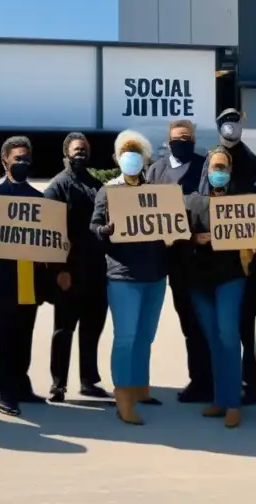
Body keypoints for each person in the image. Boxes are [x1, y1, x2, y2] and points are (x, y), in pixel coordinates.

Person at [91, 130, 167, 425]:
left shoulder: (156, 191)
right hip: (123, 276)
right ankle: (123, 396)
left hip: (155, 275)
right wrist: (103, 232)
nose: (132, 158)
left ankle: (140, 388)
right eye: (126, 153)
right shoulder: (108, 191)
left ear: (145, 159)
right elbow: (93, 227)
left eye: (137, 153)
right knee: (126, 337)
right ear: (117, 158)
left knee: (145, 336)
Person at [0, 136, 61, 417]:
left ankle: (20, 383)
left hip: (30, 276)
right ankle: (2, 388)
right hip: (4, 278)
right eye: (17, 158)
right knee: (2, 334)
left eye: (26, 159)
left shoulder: (38, 198)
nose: (22, 163)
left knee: (23, 333)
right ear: (5, 160)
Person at [198, 109, 256, 405]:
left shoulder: (251, 161)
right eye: (226, 122)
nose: (230, 126)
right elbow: (202, 198)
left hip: (244, 261)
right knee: (219, 332)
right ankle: (221, 386)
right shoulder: (212, 158)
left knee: (245, 330)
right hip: (212, 263)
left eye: (235, 121)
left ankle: (251, 385)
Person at [145, 120, 213, 403]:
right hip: (169, 260)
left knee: (204, 323)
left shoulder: (204, 165)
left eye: (187, 138)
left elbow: (208, 202)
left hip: (198, 258)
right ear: (168, 140)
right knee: (188, 322)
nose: (182, 142)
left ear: (194, 140)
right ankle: (198, 380)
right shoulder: (156, 168)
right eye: (177, 138)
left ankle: (208, 381)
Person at [183, 148, 248, 428]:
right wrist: (196, 240)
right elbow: (179, 237)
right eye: (214, 166)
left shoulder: (241, 202)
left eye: (223, 167)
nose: (218, 171)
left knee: (228, 336)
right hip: (199, 281)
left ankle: (234, 403)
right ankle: (220, 400)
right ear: (206, 169)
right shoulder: (192, 202)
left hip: (231, 277)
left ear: (230, 171)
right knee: (213, 341)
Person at [43, 133, 110, 403]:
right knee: (64, 329)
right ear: (66, 154)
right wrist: (58, 269)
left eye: (84, 149)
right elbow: (49, 229)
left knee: (92, 328)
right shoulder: (57, 186)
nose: (80, 153)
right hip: (68, 271)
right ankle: (58, 384)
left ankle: (88, 381)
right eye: (76, 150)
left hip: (97, 270)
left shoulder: (96, 185)